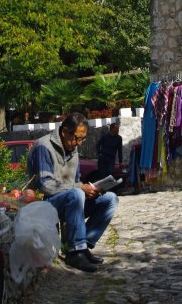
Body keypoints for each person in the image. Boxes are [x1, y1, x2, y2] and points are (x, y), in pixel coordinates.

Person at [27, 112, 118, 273]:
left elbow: (75, 182)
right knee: (77, 194)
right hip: (46, 204)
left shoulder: (73, 149)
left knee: (110, 199)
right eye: (77, 138)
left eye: (82, 139)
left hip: (70, 201)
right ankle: (74, 251)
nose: (79, 143)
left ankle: (84, 247)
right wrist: (79, 189)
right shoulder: (43, 147)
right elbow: (45, 186)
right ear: (64, 131)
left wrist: (91, 189)